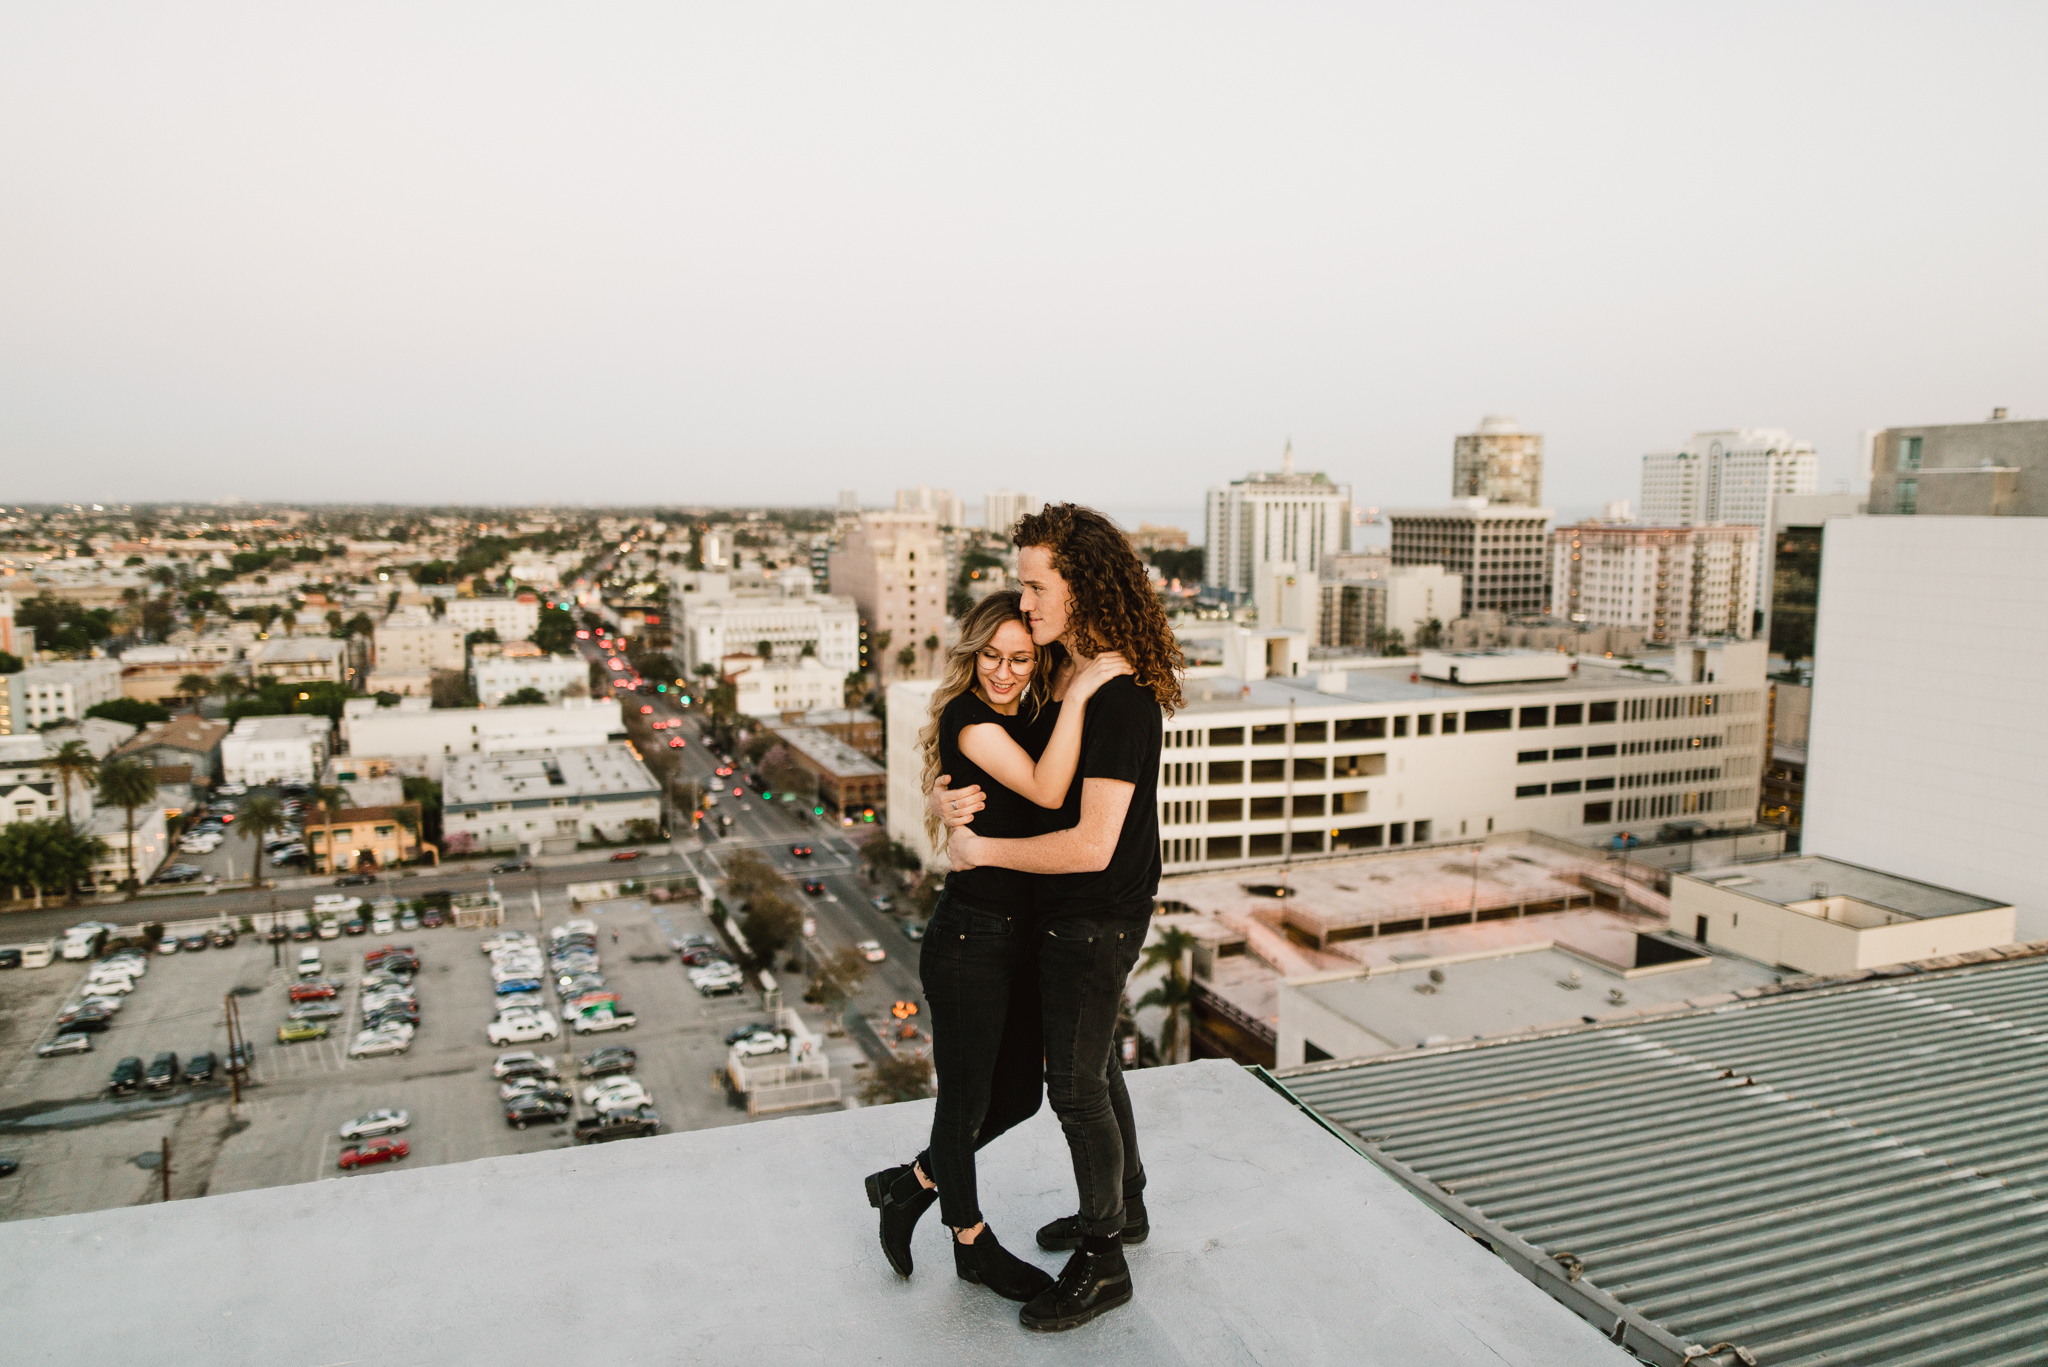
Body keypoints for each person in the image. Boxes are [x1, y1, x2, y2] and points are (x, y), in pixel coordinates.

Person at [940, 503, 1184, 1333]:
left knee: (1074, 1087)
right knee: (1098, 1068)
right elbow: (1014, 776)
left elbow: (1088, 843)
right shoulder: (1068, 677)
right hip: (1068, 915)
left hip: (1094, 915)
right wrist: (945, 802)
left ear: (1081, 586)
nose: (1027, 599)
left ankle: (1104, 1257)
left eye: (1038, 585)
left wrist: (980, 856)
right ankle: (1128, 1207)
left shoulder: (1119, 696)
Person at [862, 589, 1131, 1303]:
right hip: (970, 939)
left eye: (1019, 657)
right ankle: (969, 1239)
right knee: (964, 1100)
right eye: (991, 656)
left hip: (1020, 943)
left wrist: (1067, 700)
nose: (1005, 672)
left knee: (1016, 1097)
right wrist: (1083, 694)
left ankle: (910, 1185)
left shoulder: (1029, 713)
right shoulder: (970, 717)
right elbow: (1047, 793)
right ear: (970, 653)